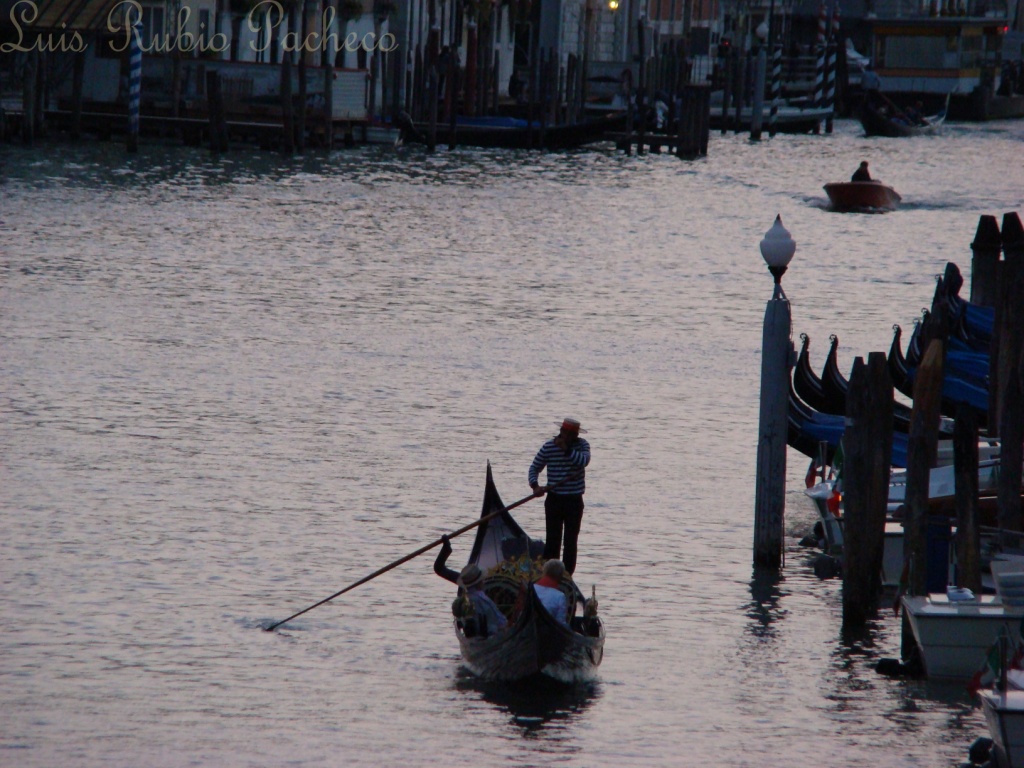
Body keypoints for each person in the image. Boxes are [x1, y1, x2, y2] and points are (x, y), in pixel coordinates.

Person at [529, 417, 591, 575]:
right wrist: (535, 486)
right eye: (567, 433)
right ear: (562, 432)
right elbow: (534, 468)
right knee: (553, 541)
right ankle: (549, 574)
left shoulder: (582, 445)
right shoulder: (549, 447)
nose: (570, 437)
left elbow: (584, 461)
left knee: (570, 541)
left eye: (573, 434)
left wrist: (567, 450)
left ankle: (567, 575)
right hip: (554, 500)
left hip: (574, 501)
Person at [435, 538, 508, 635]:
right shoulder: (483, 600)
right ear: (479, 582)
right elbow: (502, 623)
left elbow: (439, 568)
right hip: (489, 633)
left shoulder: (464, 588)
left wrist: (446, 548)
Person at [533, 559, 569, 626]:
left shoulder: (532, 588)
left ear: (545, 572)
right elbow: (560, 623)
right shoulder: (560, 596)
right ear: (560, 575)